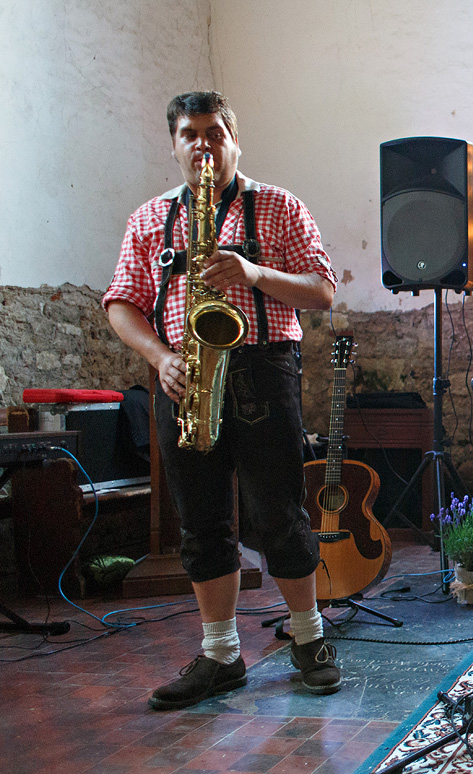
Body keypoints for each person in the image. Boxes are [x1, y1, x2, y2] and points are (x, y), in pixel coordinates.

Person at [103, 91, 340, 710]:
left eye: (215, 132)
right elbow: (121, 302)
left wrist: (256, 274)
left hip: (263, 370)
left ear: (235, 139)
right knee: (202, 521)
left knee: (278, 513)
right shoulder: (150, 219)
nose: (203, 144)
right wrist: (161, 359)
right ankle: (220, 653)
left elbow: (322, 291)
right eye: (190, 134)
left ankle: (310, 637)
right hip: (184, 375)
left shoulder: (279, 206)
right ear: (175, 144)